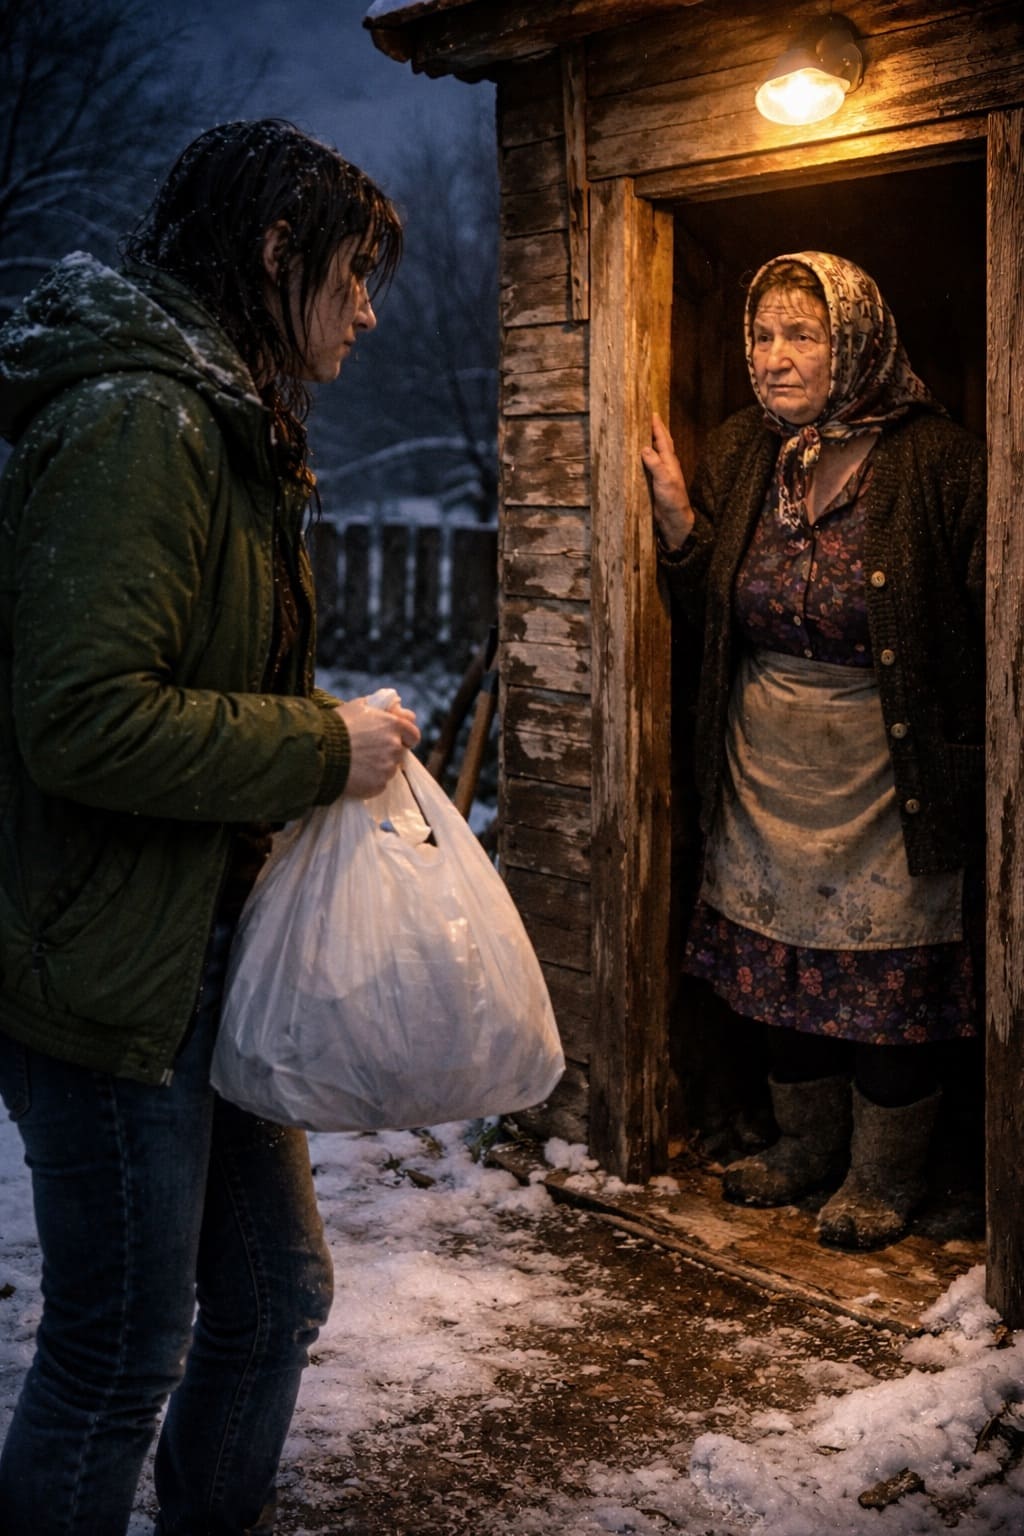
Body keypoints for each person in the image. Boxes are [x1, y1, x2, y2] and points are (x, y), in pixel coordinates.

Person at [0, 119, 421, 1535]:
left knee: (274, 1299)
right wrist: (321, 746)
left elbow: (190, 679)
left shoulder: (223, 422)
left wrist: (315, 733)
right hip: (110, 975)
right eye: (354, 275)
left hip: (201, 951)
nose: (367, 310)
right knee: (118, 1351)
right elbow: (86, 722)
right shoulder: (144, 423)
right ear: (272, 254)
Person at [642, 250, 985, 1252]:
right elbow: (714, 598)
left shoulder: (940, 459)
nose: (772, 358)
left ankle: (882, 1176)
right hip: (763, 754)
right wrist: (677, 520)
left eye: (803, 334)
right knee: (776, 961)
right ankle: (803, 1150)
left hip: (886, 770)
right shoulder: (747, 449)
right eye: (761, 335)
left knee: (885, 979)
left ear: (859, 343)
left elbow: (982, 609)